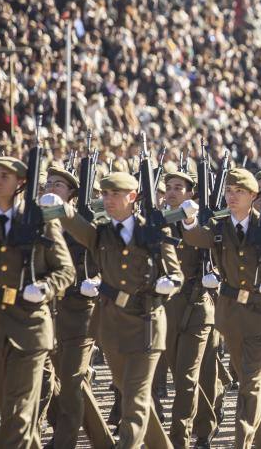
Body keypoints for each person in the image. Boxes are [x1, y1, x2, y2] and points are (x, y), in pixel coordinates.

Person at [47, 170, 180, 448]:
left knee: (134, 397)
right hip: (111, 326)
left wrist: (169, 282)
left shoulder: (153, 231)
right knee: (129, 391)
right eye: (106, 194)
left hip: (146, 323)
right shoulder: (102, 233)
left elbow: (175, 273)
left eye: (116, 194)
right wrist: (60, 208)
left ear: (132, 197)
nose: (108, 199)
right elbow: (77, 227)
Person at [0, 156, 75, 448]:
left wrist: (45, 288)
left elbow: (66, 270)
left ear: (21, 183)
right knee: (10, 409)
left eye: (4, 176)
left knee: (20, 414)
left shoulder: (40, 221)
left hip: (29, 326)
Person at [180, 168, 261, 448]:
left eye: (240, 192)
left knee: (250, 383)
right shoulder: (221, 227)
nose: (233, 197)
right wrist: (188, 222)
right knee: (248, 380)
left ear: (253, 196)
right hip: (231, 315)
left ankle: (242, 442)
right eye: (230, 191)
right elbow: (197, 238)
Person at [43, 165, 114, 448]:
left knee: (71, 381)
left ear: (72, 195)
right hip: (49, 313)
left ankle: (64, 441)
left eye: (58, 185)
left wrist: (95, 281)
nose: (51, 189)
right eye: (48, 184)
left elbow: (105, 263)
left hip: (81, 311)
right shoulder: (40, 223)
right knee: (65, 382)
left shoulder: (89, 224)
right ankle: (104, 441)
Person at [162, 171, 216, 448]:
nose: (171, 192)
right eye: (168, 187)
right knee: (181, 375)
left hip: (196, 307)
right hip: (166, 307)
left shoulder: (203, 223)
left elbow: (218, 254)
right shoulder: (156, 222)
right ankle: (206, 424)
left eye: (178, 188)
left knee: (185, 378)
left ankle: (179, 439)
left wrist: (215, 275)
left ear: (191, 194)